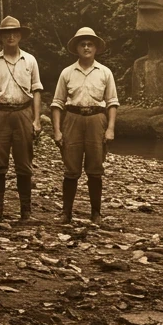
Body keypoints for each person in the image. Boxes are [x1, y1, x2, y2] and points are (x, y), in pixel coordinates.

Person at [50, 27, 118, 226]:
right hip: (72, 118)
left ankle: (96, 213)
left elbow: (112, 102)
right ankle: (66, 213)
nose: (86, 47)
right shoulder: (67, 73)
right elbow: (57, 103)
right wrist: (57, 130)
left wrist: (110, 128)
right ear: (77, 48)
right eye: (83, 44)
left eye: (90, 44)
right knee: (71, 168)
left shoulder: (105, 72)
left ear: (95, 48)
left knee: (95, 168)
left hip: (97, 119)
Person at [0, 16, 43, 222]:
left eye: (15, 33)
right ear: (1, 37)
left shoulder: (30, 60)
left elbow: (36, 91)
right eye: (7, 33)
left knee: (24, 163)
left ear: (21, 35)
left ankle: (26, 210)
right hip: (0, 114)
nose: (11, 36)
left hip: (24, 113)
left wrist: (36, 120)